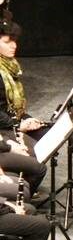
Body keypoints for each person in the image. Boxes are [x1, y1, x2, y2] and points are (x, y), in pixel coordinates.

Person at [0, 19, 48, 198]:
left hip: (11, 118)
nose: (13, 46)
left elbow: (10, 105)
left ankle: (23, 183)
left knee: (47, 135)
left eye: (14, 41)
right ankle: (20, 195)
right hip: (3, 125)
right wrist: (18, 126)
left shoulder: (9, 64)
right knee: (34, 153)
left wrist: (24, 119)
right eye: (7, 42)